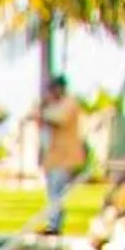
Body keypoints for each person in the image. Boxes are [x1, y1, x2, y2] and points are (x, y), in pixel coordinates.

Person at [34, 76, 87, 236]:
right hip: (53, 157)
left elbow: (59, 118)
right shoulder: (53, 105)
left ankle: (55, 225)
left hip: (66, 157)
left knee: (57, 191)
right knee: (52, 192)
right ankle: (53, 224)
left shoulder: (69, 103)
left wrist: (43, 112)